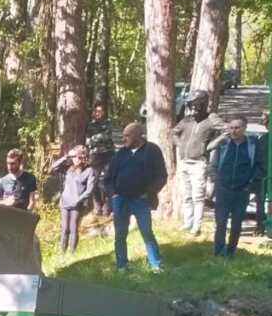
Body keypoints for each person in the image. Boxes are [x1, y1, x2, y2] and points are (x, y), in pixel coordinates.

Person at [105, 122, 168, 272]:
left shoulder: (152, 151)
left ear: (138, 135)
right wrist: (113, 194)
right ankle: (122, 266)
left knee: (146, 232)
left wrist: (150, 192)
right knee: (120, 234)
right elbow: (108, 178)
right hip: (120, 199)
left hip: (141, 200)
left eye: (127, 135)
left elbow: (161, 176)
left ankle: (156, 264)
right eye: (124, 135)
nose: (124, 138)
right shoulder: (121, 153)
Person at [210, 115, 266, 258]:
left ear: (244, 128)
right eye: (231, 127)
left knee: (236, 225)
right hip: (223, 190)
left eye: (237, 128)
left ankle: (230, 252)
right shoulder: (223, 144)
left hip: (242, 191)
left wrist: (250, 184)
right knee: (221, 223)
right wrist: (216, 179)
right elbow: (212, 163)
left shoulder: (252, 145)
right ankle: (218, 253)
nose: (234, 131)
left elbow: (260, 167)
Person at [171, 89, 224, 236]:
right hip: (184, 161)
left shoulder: (211, 119)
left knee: (197, 196)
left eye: (196, 105)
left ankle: (196, 226)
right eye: (191, 105)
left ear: (203, 104)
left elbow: (226, 131)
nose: (193, 108)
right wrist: (179, 143)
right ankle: (188, 223)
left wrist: (211, 145)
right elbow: (174, 132)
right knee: (186, 194)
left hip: (198, 162)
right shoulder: (187, 120)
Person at [50, 145, 96, 253]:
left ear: (84, 158)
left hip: (77, 204)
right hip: (65, 202)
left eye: (79, 157)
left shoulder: (89, 171)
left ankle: (71, 252)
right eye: (75, 157)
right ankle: (62, 252)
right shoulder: (68, 168)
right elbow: (53, 167)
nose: (76, 160)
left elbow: (89, 190)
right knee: (64, 228)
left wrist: (79, 200)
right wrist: (66, 156)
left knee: (73, 228)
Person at [85, 104, 115, 215]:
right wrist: (98, 138)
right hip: (95, 155)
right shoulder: (90, 125)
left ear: (103, 113)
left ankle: (107, 208)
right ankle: (97, 206)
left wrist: (94, 138)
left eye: (100, 111)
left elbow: (107, 136)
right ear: (93, 113)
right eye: (96, 111)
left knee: (108, 180)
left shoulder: (107, 123)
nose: (98, 113)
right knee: (93, 181)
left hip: (108, 154)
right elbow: (88, 141)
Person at [255, 111, 269, 237]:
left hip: (267, 176)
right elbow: (257, 158)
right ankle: (260, 226)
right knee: (260, 203)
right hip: (262, 177)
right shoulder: (263, 139)